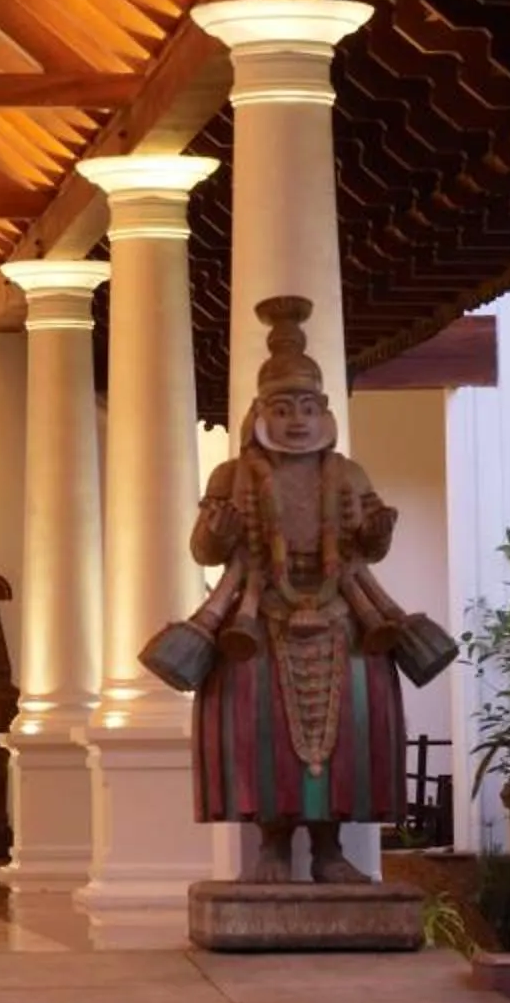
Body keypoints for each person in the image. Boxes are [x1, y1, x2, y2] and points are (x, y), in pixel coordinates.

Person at [187, 295, 452, 882]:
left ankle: (331, 854)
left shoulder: (347, 474)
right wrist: (218, 530)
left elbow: (369, 548)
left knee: (346, 745)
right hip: (257, 622)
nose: (297, 420)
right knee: (264, 739)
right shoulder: (232, 477)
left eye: (308, 407)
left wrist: (376, 531)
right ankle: (272, 851)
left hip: (345, 620)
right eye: (283, 409)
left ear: (325, 412)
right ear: (259, 414)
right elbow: (205, 551)